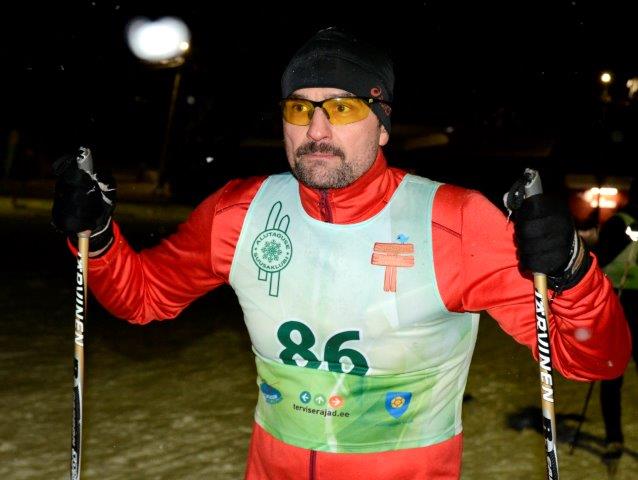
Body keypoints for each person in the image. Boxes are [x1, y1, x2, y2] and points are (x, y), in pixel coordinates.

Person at [51, 27, 631, 479]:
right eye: (299, 108)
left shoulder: (453, 222)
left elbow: (594, 362)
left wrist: (571, 272)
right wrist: (98, 237)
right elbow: (143, 297)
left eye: (344, 108)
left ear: (383, 126)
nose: (317, 129)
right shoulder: (240, 212)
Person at [595, 182, 638, 471]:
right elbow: (601, 259)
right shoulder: (618, 223)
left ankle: (614, 438)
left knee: (612, 375)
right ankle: (613, 437)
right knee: (612, 374)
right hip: (619, 303)